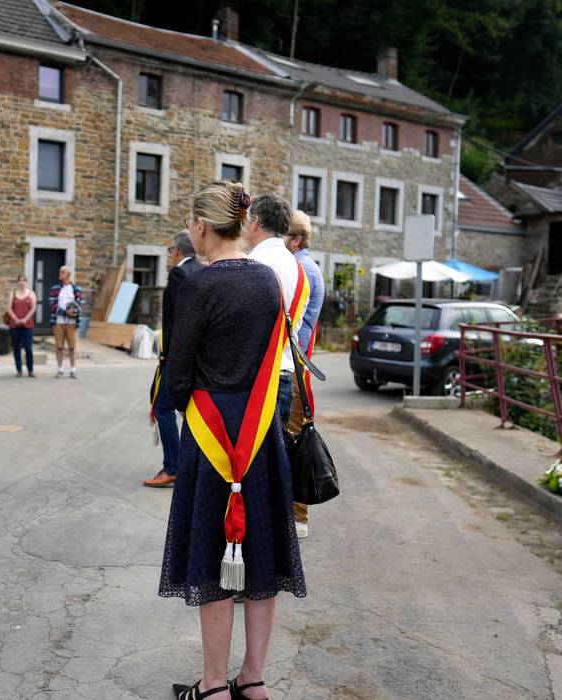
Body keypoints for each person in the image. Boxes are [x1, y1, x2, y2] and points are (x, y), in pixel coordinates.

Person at [162, 181, 305, 700]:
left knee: (211, 552)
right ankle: (255, 678)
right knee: (261, 550)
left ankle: (214, 685)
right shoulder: (268, 280)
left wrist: (192, 402)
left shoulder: (197, 284)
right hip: (261, 427)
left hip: (212, 431)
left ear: (201, 227)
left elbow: (177, 377)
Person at [143, 231, 202, 488]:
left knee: (163, 408)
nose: (169, 255)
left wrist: (169, 357)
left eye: (170, 250)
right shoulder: (200, 269)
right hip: (194, 355)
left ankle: (173, 467)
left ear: (177, 251)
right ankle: (186, 466)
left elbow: (179, 320)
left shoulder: (179, 274)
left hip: (176, 356)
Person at [244, 194, 307, 427]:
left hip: (256, 380)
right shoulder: (298, 269)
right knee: (275, 460)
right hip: (284, 375)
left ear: (255, 222)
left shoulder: (253, 263)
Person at [285, 211, 325, 539]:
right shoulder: (307, 266)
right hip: (301, 365)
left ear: (296, 239)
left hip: (297, 366)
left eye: (284, 237)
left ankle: (298, 519)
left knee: (296, 441)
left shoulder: (303, 269)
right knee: (294, 439)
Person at [49, 266, 83, 379]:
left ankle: (73, 370)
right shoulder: (55, 288)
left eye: (62, 272)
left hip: (72, 322)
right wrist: (65, 313)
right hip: (58, 322)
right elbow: (52, 305)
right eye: (60, 271)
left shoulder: (76, 289)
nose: (60, 273)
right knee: (59, 347)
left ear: (69, 274)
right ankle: (60, 369)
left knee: (72, 347)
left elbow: (81, 304)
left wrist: (75, 312)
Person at [6, 274, 37, 377]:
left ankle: (30, 370)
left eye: (24, 281)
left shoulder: (31, 294)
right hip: (14, 325)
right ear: (17, 282)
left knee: (28, 348)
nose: (21, 283)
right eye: (20, 281)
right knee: (16, 348)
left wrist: (25, 319)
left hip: (28, 325)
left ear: (26, 283)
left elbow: (33, 308)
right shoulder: (13, 294)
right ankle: (19, 370)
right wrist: (15, 319)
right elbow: (9, 308)